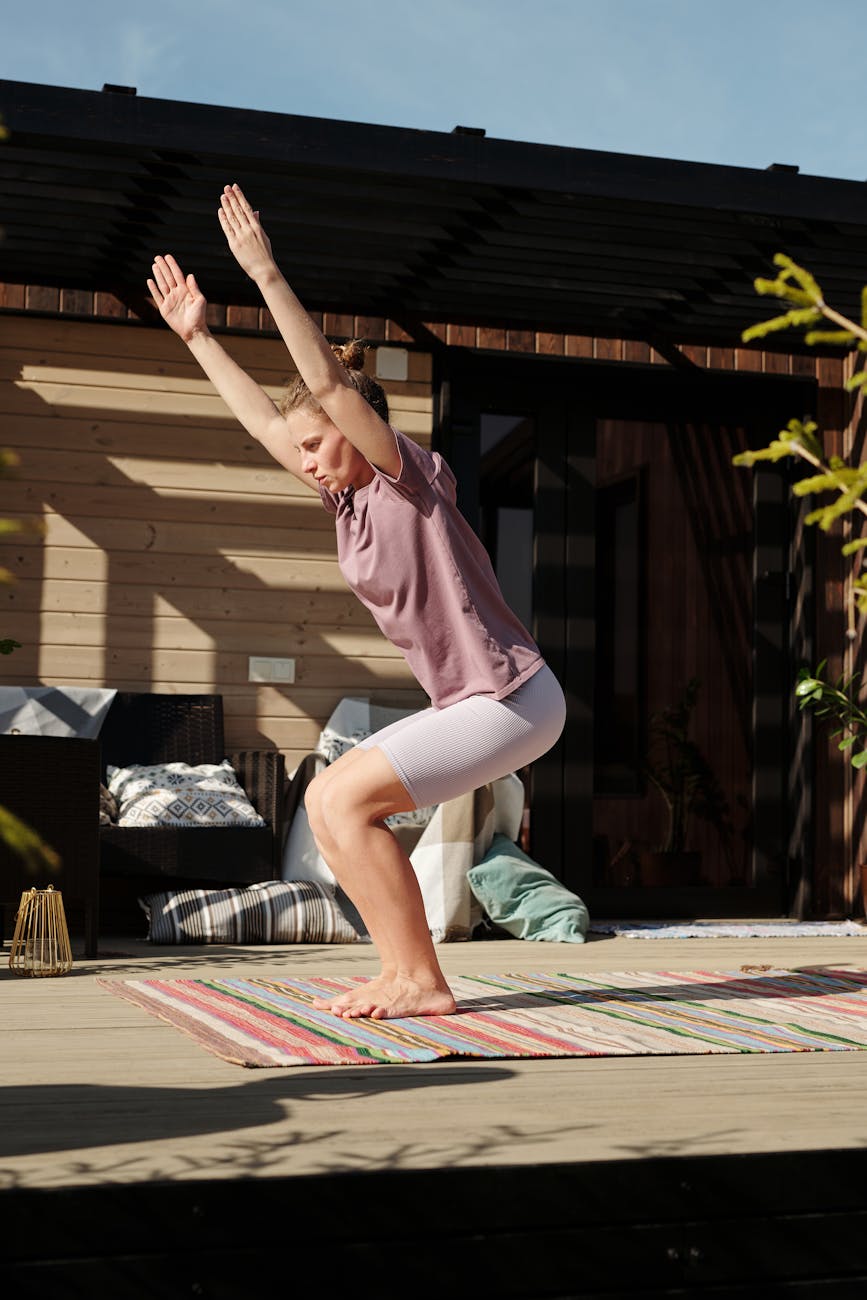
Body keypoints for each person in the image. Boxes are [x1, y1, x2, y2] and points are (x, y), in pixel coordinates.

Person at [147, 184, 566, 1020]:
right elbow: (265, 424)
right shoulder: (345, 502)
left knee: (343, 798)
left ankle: (422, 981)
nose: (304, 459)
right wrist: (198, 338)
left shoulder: (408, 479)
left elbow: (328, 388)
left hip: (514, 697)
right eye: (301, 449)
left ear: (358, 428)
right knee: (325, 799)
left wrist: (264, 275)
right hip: (474, 702)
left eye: (316, 443)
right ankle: (402, 971)